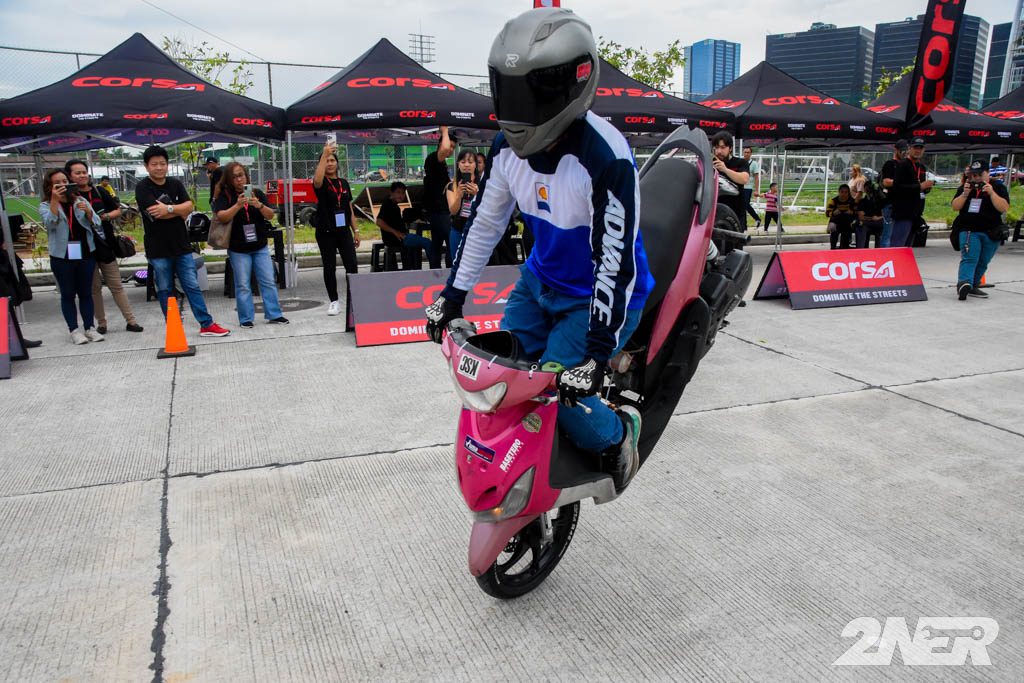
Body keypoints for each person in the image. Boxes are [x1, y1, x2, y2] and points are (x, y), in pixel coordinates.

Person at [425, 7, 652, 493]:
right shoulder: (504, 149)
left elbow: (614, 262)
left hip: (594, 300)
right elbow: (485, 223)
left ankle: (620, 432)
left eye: (534, 91)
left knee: (553, 391)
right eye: (510, 91)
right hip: (538, 283)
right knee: (505, 379)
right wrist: (452, 296)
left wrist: (596, 353)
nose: (519, 108)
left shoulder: (606, 156)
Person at [136, 145, 230, 337]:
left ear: (167, 165)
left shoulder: (175, 183)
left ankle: (207, 324)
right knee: (165, 288)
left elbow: (189, 206)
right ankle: (173, 327)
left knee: (192, 286)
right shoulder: (143, 187)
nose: (159, 167)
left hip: (181, 246)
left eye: (162, 163)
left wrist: (170, 209)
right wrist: (179, 210)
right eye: (154, 164)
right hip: (158, 248)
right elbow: (156, 213)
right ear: (146, 166)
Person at [65, 159, 143, 335]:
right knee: (94, 289)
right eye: (77, 173)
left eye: (84, 172)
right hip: (84, 248)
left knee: (116, 285)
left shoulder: (99, 191)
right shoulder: (69, 198)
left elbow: (117, 210)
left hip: (105, 244)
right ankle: (101, 324)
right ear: (69, 176)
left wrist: (104, 217)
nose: (82, 175)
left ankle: (131, 321)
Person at [212, 162, 289, 327]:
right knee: (243, 284)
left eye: (241, 175)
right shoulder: (225, 196)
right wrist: (237, 205)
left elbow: (270, 215)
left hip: (259, 246)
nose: (239, 180)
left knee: (268, 280)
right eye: (234, 177)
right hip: (238, 248)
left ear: (246, 176)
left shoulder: (257, 193)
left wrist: (259, 205)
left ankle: (274, 314)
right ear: (229, 180)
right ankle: (246, 318)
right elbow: (222, 216)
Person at [39, 169, 104, 344]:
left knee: (86, 292)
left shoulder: (79, 201)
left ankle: (90, 327)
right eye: (57, 183)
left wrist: (88, 212)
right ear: (50, 187)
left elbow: (97, 222)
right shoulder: (46, 205)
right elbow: (50, 224)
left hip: (84, 253)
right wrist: (54, 200)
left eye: (65, 181)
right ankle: (74, 330)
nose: (63, 185)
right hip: (62, 256)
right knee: (67, 293)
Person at [951, 161, 1010, 300]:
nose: (976, 178)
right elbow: (955, 206)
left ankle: (974, 284)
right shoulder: (966, 187)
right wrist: (964, 194)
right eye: (973, 174)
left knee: (984, 260)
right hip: (969, 229)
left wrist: (992, 193)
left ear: (987, 173)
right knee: (970, 258)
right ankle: (964, 283)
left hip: (991, 231)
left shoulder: (998, 186)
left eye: (979, 174)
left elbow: (1004, 208)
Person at [312, 141, 359, 316]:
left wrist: (356, 231)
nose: (330, 163)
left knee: (352, 265)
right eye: (327, 161)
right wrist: (324, 154)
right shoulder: (321, 182)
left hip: (344, 231)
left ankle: (354, 299)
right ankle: (334, 301)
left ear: (337, 163)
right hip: (326, 232)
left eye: (332, 160)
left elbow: (349, 209)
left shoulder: (344, 183)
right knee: (329, 267)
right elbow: (317, 181)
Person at [375, 181, 436, 268]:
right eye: (398, 192)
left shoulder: (394, 205)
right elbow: (379, 222)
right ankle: (435, 268)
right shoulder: (388, 205)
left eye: (403, 193)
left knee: (416, 243)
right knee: (427, 242)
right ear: (391, 193)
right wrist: (395, 232)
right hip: (396, 239)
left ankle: (411, 267)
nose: (401, 195)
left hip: (396, 238)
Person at [890, 137, 933, 248]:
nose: (918, 151)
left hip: (915, 213)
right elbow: (897, 187)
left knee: (907, 247)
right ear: (909, 148)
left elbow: (919, 187)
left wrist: (926, 188)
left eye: (920, 148)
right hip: (903, 212)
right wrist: (919, 186)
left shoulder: (921, 167)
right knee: (898, 245)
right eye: (915, 148)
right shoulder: (903, 165)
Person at [423, 127, 456, 268]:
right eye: (450, 145)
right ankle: (447, 271)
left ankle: (435, 271)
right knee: (450, 243)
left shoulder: (442, 163)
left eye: (453, 147)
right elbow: (444, 149)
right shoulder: (434, 159)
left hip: (439, 211)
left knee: (437, 245)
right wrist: (445, 131)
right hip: (439, 212)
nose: (451, 149)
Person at [710, 131, 750, 229]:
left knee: (735, 238)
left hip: (735, 213)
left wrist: (725, 170)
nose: (719, 151)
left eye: (723, 147)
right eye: (716, 147)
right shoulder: (710, 164)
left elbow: (744, 179)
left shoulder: (740, 162)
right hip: (715, 212)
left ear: (730, 148)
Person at [446, 150, 480, 260]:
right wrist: (459, 196)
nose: (466, 165)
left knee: (477, 263)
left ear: (475, 165)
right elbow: (453, 211)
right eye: (463, 162)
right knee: (457, 263)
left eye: (470, 162)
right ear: (458, 165)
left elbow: (489, 208)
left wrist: (477, 194)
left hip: (478, 232)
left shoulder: (483, 184)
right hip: (458, 230)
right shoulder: (452, 186)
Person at [878, 140, 907, 247]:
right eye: (902, 151)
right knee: (887, 235)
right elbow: (886, 182)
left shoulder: (906, 165)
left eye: (906, 151)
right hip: (890, 204)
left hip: (903, 205)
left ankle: (896, 254)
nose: (904, 153)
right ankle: (886, 254)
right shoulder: (890, 164)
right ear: (896, 150)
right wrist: (903, 182)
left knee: (899, 235)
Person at [855, 179, 885, 248]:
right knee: (860, 225)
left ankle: (879, 250)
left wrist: (878, 218)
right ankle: (861, 250)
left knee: (882, 226)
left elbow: (886, 216)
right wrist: (872, 218)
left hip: (878, 223)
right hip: (867, 223)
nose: (869, 190)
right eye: (867, 188)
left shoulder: (880, 201)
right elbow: (861, 217)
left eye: (870, 188)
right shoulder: (863, 202)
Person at [826, 184, 857, 250]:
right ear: (839, 192)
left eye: (846, 192)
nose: (844, 194)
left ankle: (844, 247)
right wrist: (833, 213)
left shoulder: (853, 201)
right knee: (833, 229)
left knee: (846, 232)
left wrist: (852, 212)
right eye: (842, 192)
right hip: (835, 222)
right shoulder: (833, 201)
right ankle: (833, 248)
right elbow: (827, 213)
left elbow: (857, 213)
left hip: (847, 223)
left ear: (848, 193)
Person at [741, 146, 761, 229]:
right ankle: (744, 226)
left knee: (745, 204)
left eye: (748, 152)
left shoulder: (754, 164)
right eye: (745, 152)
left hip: (748, 187)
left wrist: (756, 190)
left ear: (751, 153)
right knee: (742, 206)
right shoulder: (740, 162)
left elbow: (756, 177)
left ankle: (756, 219)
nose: (746, 154)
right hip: (741, 186)